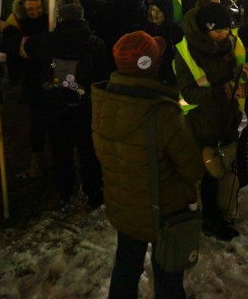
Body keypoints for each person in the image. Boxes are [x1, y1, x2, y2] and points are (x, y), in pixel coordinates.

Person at [92, 31, 204, 299]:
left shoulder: (102, 101)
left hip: (124, 205)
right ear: (149, 65)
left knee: (126, 266)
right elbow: (192, 169)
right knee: (167, 275)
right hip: (163, 211)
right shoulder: (163, 112)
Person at [174, 2, 248, 240]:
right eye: (218, 31)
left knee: (226, 167)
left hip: (229, 116)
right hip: (201, 121)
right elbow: (187, 92)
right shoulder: (186, 51)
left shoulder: (232, 42)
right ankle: (210, 218)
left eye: (226, 29)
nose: (224, 34)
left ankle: (223, 210)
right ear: (205, 29)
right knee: (209, 172)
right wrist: (219, 90)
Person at [23, 3, 108, 207]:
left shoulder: (47, 40)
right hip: (85, 105)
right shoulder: (94, 42)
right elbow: (103, 73)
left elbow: (27, 48)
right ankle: (93, 191)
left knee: (61, 150)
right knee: (88, 150)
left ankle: (65, 190)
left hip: (55, 103)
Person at [0, 0, 50, 177]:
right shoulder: (15, 21)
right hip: (30, 76)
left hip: (50, 70)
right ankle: (37, 159)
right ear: (23, 7)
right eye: (31, 9)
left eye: (38, 8)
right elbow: (11, 47)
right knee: (36, 119)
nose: (35, 12)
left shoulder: (51, 17)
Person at [142, 0, 184, 85]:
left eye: (159, 11)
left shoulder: (176, 31)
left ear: (167, 12)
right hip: (148, 75)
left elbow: (179, 57)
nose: (155, 14)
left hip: (169, 78)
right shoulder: (145, 30)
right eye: (153, 10)